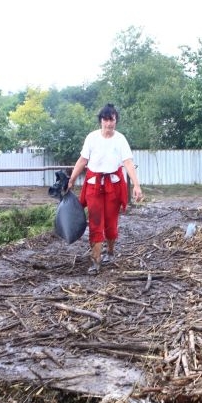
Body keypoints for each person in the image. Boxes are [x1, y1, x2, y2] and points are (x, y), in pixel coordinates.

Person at [67, 103, 143, 274]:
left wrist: (136, 185)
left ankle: (110, 251)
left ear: (116, 121)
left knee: (110, 222)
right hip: (94, 185)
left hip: (113, 186)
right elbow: (82, 160)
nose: (109, 123)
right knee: (95, 222)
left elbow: (128, 162)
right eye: (106, 120)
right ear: (101, 121)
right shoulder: (92, 138)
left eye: (112, 120)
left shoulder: (120, 139)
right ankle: (96, 261)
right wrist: (71, 180)